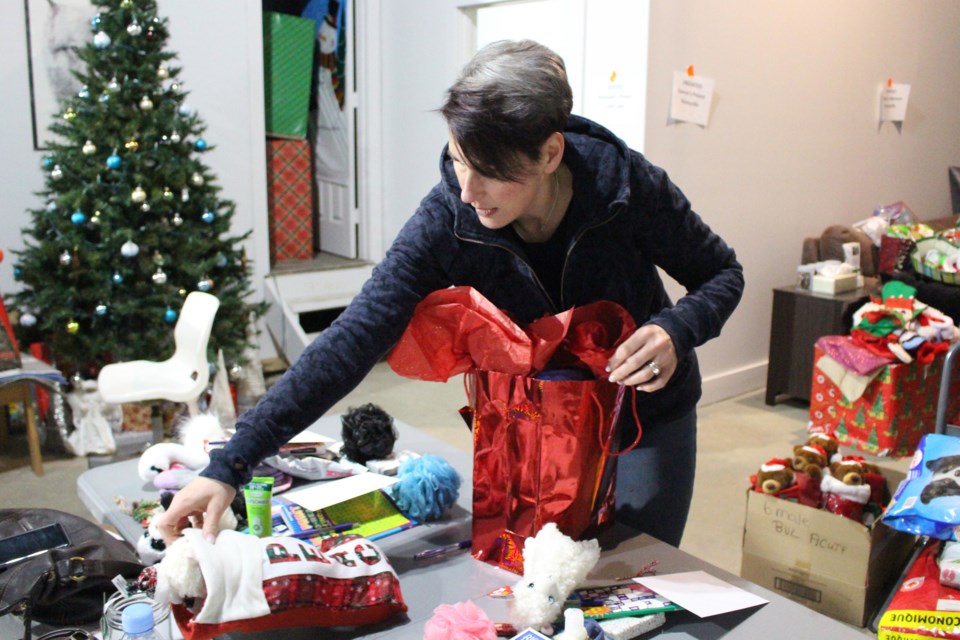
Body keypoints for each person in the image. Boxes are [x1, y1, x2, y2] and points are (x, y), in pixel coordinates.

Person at [156, 39, 744, 548]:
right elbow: (354, 337)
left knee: (638, 576)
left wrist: (677, 328)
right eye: (459, 161)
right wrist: (230, 464)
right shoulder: (449, 217)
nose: (468, 191)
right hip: (531, 424)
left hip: (645, 418)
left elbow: (722, 273)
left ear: (550, 153)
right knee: (532, 578)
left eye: (489, 170)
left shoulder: (626, 187)